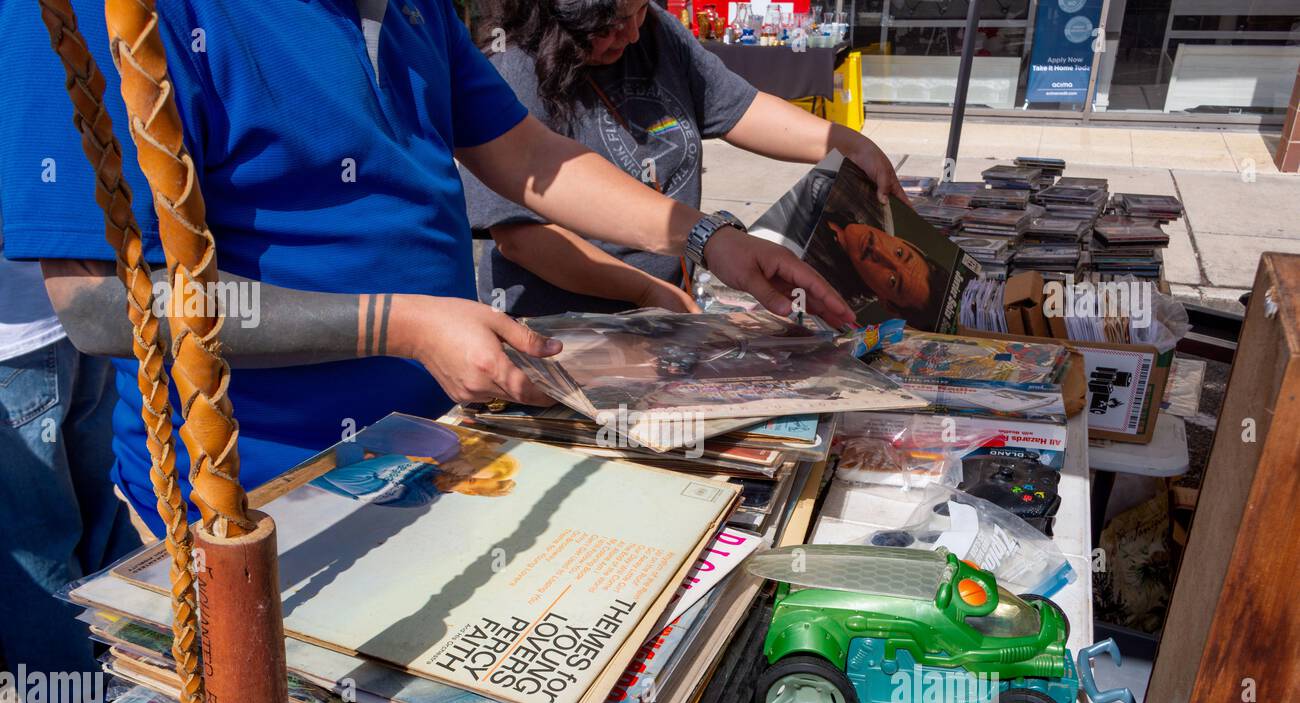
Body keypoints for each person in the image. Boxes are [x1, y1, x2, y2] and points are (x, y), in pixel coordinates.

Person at [0, 0, 851, 541]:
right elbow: (102, 305)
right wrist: (398, 325)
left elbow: (526, 156)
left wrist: (709, 238)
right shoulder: (100, 16)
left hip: (440, 449)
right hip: (252, 498)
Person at [463, 0, 906, 318]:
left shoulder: (655, 31)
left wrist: (846, 142)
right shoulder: (511, 65)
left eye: (640, 11)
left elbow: (740, 107)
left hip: (662, 315)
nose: (634, 32)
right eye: (614, 21)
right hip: (566, 330)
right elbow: (521, 236)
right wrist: (645, 290)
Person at [0, 189, 139, 703]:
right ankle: (141, 682)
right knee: (99, 515)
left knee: (32, 550)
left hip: (21, 344)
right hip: (75, 314)